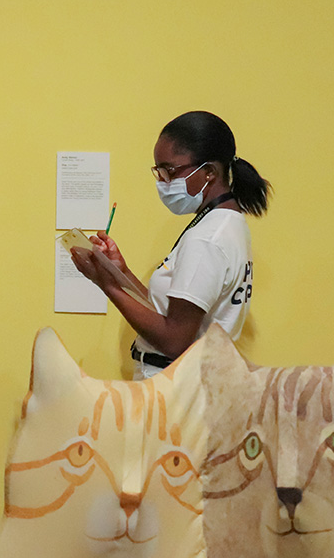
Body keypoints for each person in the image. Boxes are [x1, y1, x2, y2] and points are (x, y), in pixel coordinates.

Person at [72, 111, 271, 379]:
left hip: (174, 388)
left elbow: (174, 339)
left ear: (209, 172)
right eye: (159, 172)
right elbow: (167, 310)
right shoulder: (227, 224)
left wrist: (105, 284)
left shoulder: (207, 238)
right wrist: (121, 272)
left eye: (170, 170)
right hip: (186, 383)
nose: (163, 182)